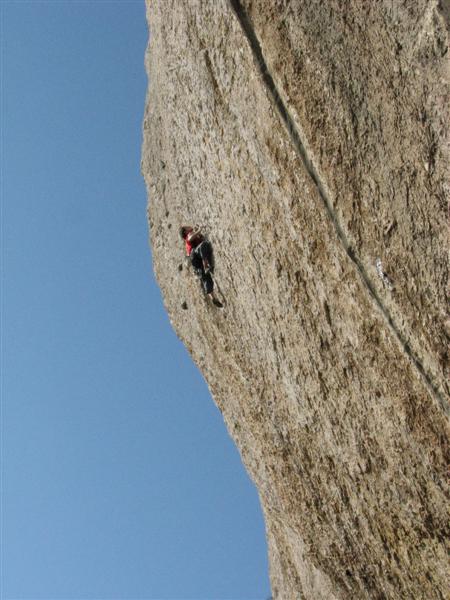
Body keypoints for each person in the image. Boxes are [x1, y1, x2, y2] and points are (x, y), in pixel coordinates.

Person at [179, 225, 222, 307]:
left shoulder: (189, 239)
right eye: (187, 227)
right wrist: (199, 230)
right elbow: (191, 238)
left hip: (194, 260)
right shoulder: (189, 235)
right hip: (194, 254)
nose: (189, 226)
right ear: (185, 231)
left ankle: (213, 297)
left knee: (205, 277)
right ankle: (206, 265)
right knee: (203, 245)